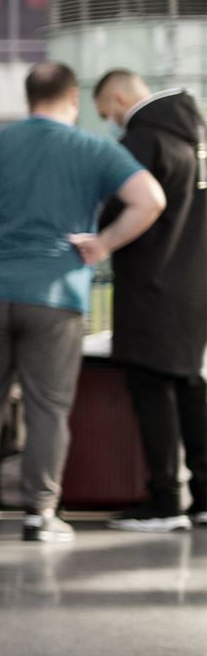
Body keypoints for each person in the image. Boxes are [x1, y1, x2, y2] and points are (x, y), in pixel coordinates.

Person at [0, 62, 165, 541]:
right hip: (55, 294)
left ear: (28, 96)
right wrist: (104, 244)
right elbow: (149, 198)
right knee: (46, 406)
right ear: (73, 96)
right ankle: (39, 513)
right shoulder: (93, 148)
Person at [92, 70, 207, 532]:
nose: (111, 122)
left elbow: (119, 206)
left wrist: (100, 238)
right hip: (196, 288)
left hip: (150, 286)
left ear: (120, 99)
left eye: (106, 113)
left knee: (151, 387)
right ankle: (202, 496)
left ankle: (164, 501)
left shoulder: (143, 142)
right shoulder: (198, 141)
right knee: (191, 388)